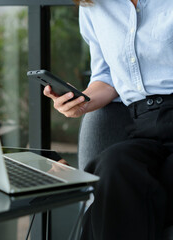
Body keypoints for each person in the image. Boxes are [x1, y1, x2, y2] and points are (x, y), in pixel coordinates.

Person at [43, 0, 173, 239]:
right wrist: (81, 102)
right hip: (145, 123)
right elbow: (107, 77)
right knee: (114, 165)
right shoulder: (94, 6)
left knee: (118, 201)